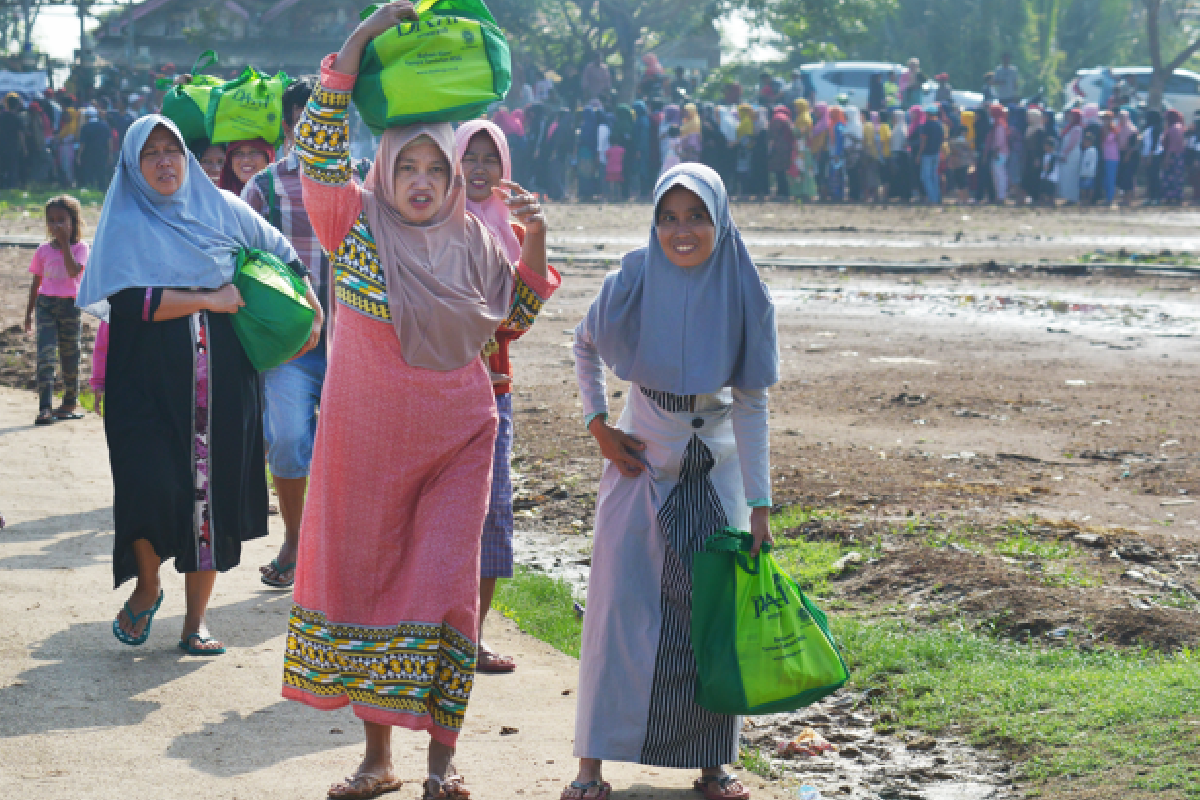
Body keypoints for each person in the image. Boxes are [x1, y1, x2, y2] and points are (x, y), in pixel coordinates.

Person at [279, 5, 560, 797]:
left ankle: (442, 765)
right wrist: (363, 38)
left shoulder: (477, 240)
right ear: (387, 170)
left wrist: (534, 241)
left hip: (458, 443)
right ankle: (377, 761)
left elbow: (509, 325)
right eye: (409, 168)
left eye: (436, 170)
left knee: (442, 594)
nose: (423, 182)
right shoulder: (354, 228)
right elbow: (321, 148)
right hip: (365, 449)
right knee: (370, 589)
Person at [563, 162, 778, 800]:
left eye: (696, 218)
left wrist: (760, 506)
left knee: (711, 617)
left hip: (718, 477)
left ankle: (713, 766)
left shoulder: (745, 287)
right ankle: (589, 767)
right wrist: (599, 425)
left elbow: (752, 404)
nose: (681, 232)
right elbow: (583, 346)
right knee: (618, 611)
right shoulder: (630, 278)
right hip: (639, 465)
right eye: (668, 218)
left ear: (720, 220)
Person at [76, 115, 315, 658]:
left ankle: (196, 622)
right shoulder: (124, 222)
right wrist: (210, 297)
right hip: (144, 383)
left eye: (173, 150)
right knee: (145, 483)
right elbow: (133, 306)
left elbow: (286, 254)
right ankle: (148, 583)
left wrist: (312, 306)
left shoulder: (223, 209)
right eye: (150, 153)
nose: (164, 162)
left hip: (223, 379)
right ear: (132, 166)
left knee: (211, 494)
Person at [454, 119, 558, 674]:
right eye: (467, 156)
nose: (477, 167)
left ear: (504, 170)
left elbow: (519, 318)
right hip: (430, 393)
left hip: (493, 393)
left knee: (492, 517)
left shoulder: (512, 235)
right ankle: (429, 637)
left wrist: (535, 232)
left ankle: (471, 637)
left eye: (488, 158)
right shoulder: (426, 227)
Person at [241, 76, 340, 591]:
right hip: (290, 345)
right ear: (288, 125)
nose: (318, 131)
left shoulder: (365, 181)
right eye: (306, 121)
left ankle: (338, 553)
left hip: (354, 345)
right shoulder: (263, 187)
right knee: (286, 440)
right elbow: (241, 260)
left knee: (349, 449)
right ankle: (297, 540)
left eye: (328, 120)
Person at [25, 195, 88, 425]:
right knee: (46, 356)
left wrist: (64, 245)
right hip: (46, 306)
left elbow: (73, 272)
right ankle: (44, 406)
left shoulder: (81, 248)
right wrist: (29, 314)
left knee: (70, 355)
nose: (56, 225)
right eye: (51, 221)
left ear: (73, 221)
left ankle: (70, 401)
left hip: (70, 307)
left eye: (61, 220)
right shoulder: (42, 250)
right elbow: (36, 283)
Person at [78, 107, 115, 190]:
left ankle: (91, 188)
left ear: (88, 116)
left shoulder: (85, 127)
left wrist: (79, 156)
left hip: (88, 153)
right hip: (102, 152)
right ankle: (102, 189)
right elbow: (109, 141)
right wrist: (110, 154)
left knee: (90, 172)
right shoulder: (104, 125)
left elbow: (82, 144)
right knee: (101, 172)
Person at [791, 99, 818, 201]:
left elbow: (800, 133)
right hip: (800, 148)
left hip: (803, 149)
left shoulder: (804, 118)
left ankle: (806, 193)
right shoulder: (800, 117)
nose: (795, 109)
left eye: (797, 106)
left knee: (805, 170)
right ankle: (800, 192)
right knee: (800, 170)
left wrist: (791, 127)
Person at [1160, 108, 1187, 205]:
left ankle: (1171, 197)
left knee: (1170, 177)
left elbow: (1172, 145)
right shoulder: (1179, 127)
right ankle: (1177, 196)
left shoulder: (1174, 128)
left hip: (1173, 156)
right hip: (1178, 156)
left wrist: (1167, 158)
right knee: (1177, 177)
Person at [767, 104, 794, 199]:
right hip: (787, 147)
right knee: (784, 170)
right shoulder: (787, 118)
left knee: (779, 171)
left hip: (778, 148)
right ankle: (785, 191)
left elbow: (773, 133)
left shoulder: (777, 118)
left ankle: (781, 192)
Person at [917, 104, 943, 204]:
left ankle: (932, 199)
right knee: (934, 177)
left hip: (927, 154)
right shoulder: (939, 125)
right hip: (936, 153)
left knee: (925, 177)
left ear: (927, 114)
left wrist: (919, 155)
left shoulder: (926, 125)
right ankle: (937, 197)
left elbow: (923, 142)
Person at [0, 94, 27, 188]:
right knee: (12, 169)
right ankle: (11, 187)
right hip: (12, 147)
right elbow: (21, 135)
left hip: (1, 146)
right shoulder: (17, 118)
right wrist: (24, 149)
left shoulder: (1, 116)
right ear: (17, 105)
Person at [1057, 108, 1083, 204]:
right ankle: (1067, 197)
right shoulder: (1069, 127)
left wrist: (1064, 153)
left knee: (1071, 176)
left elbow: (1072, 143)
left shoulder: (1077, 128)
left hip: (1072, 155)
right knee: (1066, 176)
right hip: (1066, 154)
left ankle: (1072, 198)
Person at [985, 103, 1009, 203]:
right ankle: (999, 195)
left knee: (999, 175)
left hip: (1000, 154)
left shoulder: (999, 125)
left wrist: (995, 151)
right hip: (999, 153)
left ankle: (1001, 196)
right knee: (996, 175)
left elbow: (999, 142)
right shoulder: (997, 124)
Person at [1022, 108, 1046, 202]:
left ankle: (1035, 197)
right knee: (1028, 176)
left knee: (1035, 176)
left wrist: (1037, 158)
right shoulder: (1029, 128)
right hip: (1028, 156)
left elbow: (1040, 146)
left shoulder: (1040, 130)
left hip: (1035, 157)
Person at [946, 121, 973, 205]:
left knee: (959, 181)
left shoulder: (954, 140)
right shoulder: (961, 139)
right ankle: (965, 199)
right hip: (962, 162)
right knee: (962, 181)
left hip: (957, 163)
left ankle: (962, 199)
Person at [1116, 109, 1140, 206]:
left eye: (1122, 117)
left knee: (1128, 177)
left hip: (1130, 156)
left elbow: (1133, 145)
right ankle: (1123, 199)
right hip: (1121, 154)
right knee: (1122, 177)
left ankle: (1128, 199)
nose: (1120, 119)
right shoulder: (1120, 128)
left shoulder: (1132, 129)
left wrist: (1127, 155)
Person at [889, 108, 909, 201]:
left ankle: (903, 195)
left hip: (899, 154)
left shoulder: (900, 128)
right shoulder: (899, 127)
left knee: (901, 175)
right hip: (898, 153)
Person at [1100, 110, 1120, 206]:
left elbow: (1110, 138)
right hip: (1104, 157)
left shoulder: (1114, 129)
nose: (1105, 120)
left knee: (1110, 179)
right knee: (1105, 179)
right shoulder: (1102, 129)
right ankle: (1106, 197)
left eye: (1107, 118)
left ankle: (1110, 199)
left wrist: (1106, 128)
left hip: (1112, 157)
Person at [1079, 131, 1098, 205]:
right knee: (1088, 188)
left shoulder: (1090, 150)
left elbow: (1087, 163)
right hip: (1090, 173)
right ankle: (1087, 201)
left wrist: (1084, 172)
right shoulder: (1093, 150)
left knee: (1085, 188)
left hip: (1087, 173)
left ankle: (1086, 201)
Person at [1039, 136, 1059, 204]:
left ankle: (1051, 202)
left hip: (1051, 177)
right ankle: (1043, 202)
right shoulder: (1045, 155)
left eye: (1046, 146)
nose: (1044, 147)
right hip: (1044, 176)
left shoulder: (1053, 156)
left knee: (1050, 191)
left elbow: (1051, 167)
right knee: (1043, 190)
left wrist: (1047, 174)